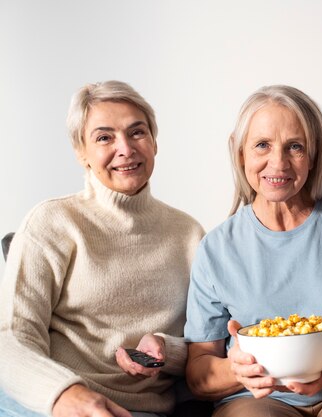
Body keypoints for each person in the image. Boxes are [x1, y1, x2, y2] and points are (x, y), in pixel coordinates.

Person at [184, 85, 322, 417]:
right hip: (258, 402)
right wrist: (237, 372)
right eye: (262, 145)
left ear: (314, 154)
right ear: (241, 153)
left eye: (295, 147)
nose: (278, 163)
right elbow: (198, 372)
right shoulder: (216, 249)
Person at [0, 81, 207, 417]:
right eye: (104, 137)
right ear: (81, 152)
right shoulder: (51, 222)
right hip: (53, 404)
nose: (125, 148)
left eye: (137, 132)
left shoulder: (189, 235)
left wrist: (166, 350)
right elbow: (11, 339)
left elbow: (207, 349)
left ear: (154, 141)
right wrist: (65, 395)